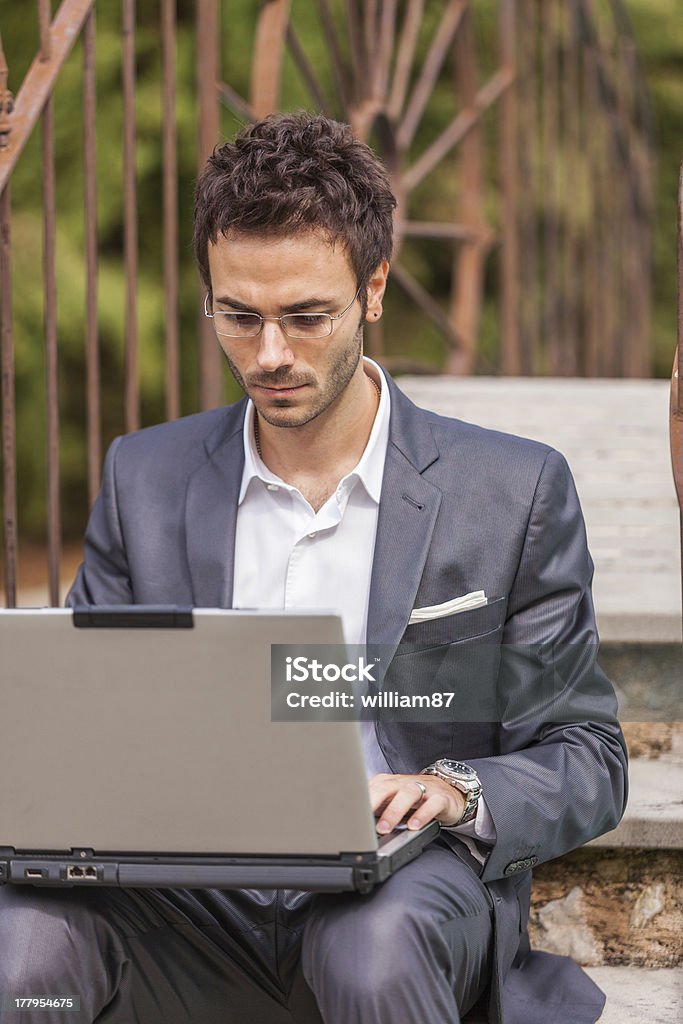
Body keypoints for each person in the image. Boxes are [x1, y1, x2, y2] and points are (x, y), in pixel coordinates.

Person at [0, 112, 627, 1024]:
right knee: (23, 939)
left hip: (398, 893)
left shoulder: (512, 489)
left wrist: (450, 791)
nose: (270, 355)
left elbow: (587, 756)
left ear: (373, 289)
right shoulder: (144, 476)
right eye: (237, 316)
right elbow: (84, 724)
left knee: (366, 948)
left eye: (305, 316)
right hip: (185, 896)